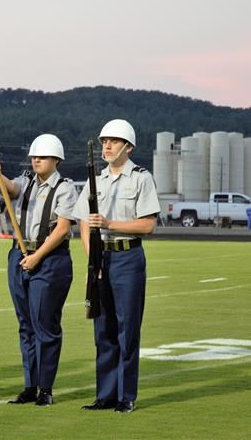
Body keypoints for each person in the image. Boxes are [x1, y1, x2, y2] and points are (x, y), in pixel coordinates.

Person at [72, 119, 161, 414]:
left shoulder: (140, 179)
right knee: (103, 329)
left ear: (128, 147)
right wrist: (92, 259)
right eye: (104, 142)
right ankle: (105, 394)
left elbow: (148, 225)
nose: (106, 147)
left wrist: (111, 224)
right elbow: (84, 223)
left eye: (113, 141)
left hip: (127, 257)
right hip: (102, 259)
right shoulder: (95, 180)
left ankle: (126, 396)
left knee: (127, 329)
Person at [0, 134, 77, 406]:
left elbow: (62, 229)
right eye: (34, 157)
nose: (36, 160)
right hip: (19, 254)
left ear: (56, 160)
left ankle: (46, 388)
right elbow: (10, 189)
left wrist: (37, 256)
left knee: (45, 325)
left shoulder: (65, 187)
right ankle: (30, 385)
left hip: (49, 259)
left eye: (43, 157)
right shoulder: (26, 181)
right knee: (25, 326)